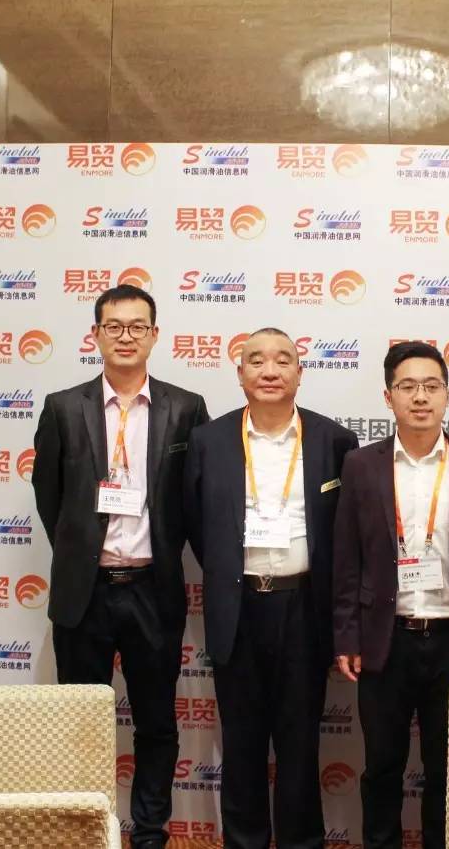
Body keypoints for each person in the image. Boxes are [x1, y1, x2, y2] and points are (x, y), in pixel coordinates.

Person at [30, 285, 210, 849]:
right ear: (96, 334)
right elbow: (49, 497)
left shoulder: (186, 408)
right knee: (80, 723)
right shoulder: (63, 407)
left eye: (137, 326)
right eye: (114, 326)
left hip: (153, 589)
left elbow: (197, 498)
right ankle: (87, 832)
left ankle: (149, 834)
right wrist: (83, 551)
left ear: (155, 335)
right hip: (85, 592)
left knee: (156, 723)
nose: (125, 336)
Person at [182, 327, 358, 849]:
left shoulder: (333, 441)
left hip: (304, 608)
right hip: (238, 608)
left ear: (300, 373)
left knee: (300, 747)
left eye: (283, 360)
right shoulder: (209, 440)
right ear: (240, 374)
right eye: (256, 360)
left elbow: (345, 534)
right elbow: (196, 524)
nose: (270, 370)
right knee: (241, 746)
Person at [332, 341, 449, 849]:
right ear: (388, 397)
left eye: (431, 386)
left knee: (446, 771)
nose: (420, 397)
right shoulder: (361, 466)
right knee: (381, 767)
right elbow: (347, 561)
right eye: (408, 386)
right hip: (385, 642)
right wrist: (347, 636)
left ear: (447, 395)